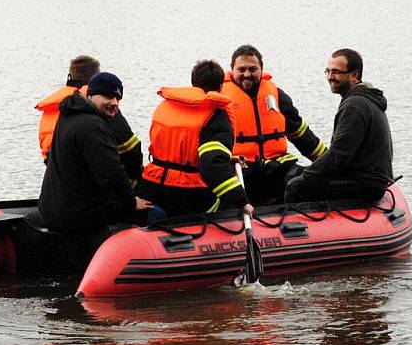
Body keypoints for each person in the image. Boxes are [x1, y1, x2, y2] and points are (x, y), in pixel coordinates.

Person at [38, 72, 154, 233]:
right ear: (91, 95)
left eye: (118, 99)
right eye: (108, 96)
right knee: (156, 214)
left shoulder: (67, 116)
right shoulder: (93, 126)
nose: (114, 103)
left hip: (52, 209)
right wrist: (131, 202)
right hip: (80, 215)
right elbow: (111, 174)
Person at [136, 60, 253, 218]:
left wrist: (226, 158)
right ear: (220, 86)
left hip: (152, 186)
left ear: (194, 83)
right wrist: (241, 201)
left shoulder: (166, 106)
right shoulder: (215, 115)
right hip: (189, 194)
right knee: (227, 205)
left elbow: (179, 150)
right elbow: (212, 165)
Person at [222, 44, 327, 204]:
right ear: (232, 70)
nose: (247, 74)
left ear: (261, 69)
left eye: (253, 69)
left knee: (308, 181)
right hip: (241, 169)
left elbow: (301, 135)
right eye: (241, 70)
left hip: (276, 167)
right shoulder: (220, 99)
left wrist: (327, 161)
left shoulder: (277, 95)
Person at [285, 49, 393, 203]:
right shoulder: (362, 99)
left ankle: (296, 225)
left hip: (366, 184)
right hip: (364, 177)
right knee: (294, 174)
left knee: (296, 186)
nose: (330, 77)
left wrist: (307, 175)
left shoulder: (355, 106)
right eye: (327, 71)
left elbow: (339, 155)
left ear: (354, 75)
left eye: (336, 72)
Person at [35, 55, 142, 183]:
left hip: (57, 182)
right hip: (93, 182)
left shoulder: (51, 108)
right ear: (97, 79)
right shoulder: (97, 101)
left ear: (70, 76)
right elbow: (130, 150)